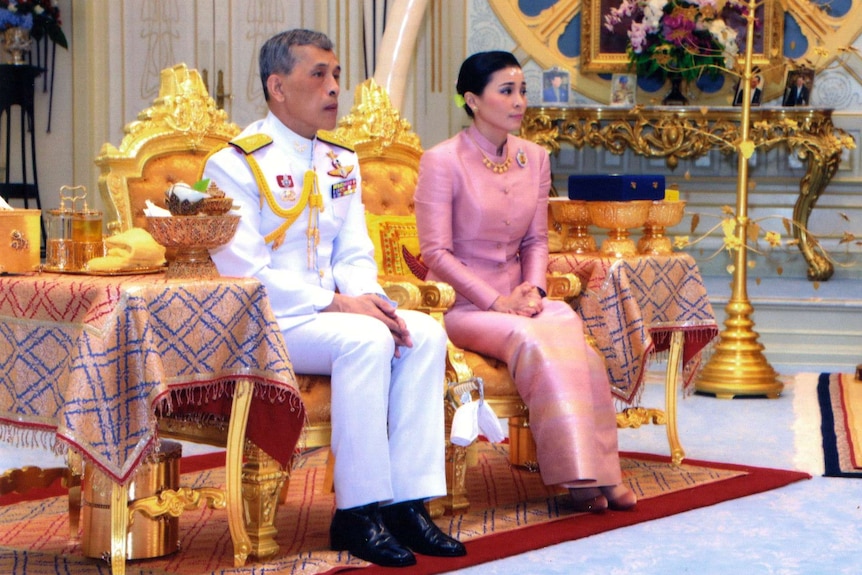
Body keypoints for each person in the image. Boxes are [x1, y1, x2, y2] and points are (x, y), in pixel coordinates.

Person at [203, 29, 465, 568]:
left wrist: (371, 300)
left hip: (335, 315)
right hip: (268, 320)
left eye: (337, 74)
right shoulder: (234, 163)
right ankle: (357, 512)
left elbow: (355, 251)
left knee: (425, 332)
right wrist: (343, 307)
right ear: (277, 86)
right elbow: (244, 271)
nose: (333, 87)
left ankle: (407, 504)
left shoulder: (341, 160)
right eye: (317, 74)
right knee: (365, 340)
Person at [414, 51, 637, 515]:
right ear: (473, 100)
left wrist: (534, 291)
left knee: (581, 346)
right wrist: (497, 301)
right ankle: (575, 478)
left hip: (523, 299)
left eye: (522, 91)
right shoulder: (441, 161)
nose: (519, 102)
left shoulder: (533, 158)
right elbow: (435, 253)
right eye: (507, 91)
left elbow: (537, 239)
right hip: (464, 307)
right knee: (530, 339)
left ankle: (606, 475)